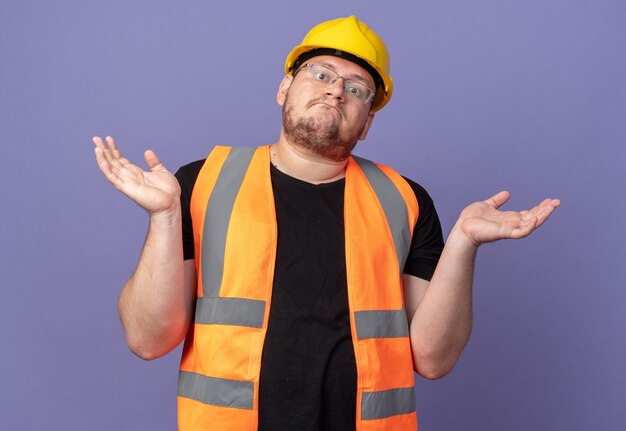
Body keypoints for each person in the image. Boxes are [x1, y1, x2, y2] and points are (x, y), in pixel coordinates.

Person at [93, 15, 559, 431]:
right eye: (321, 73)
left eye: (357, 88)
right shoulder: (203, 183)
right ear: (284, 88)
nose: (336, 89)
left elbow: (433, 360)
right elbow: (148, 339)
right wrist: (165, 216)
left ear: (367, 121)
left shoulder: (405, 200)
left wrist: (463, 244)